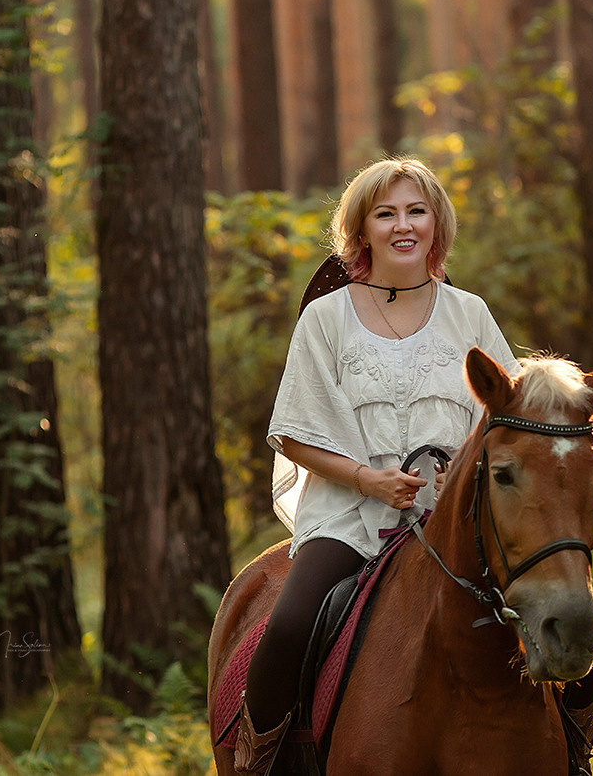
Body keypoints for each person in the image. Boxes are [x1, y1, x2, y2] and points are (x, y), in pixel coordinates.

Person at [234, 157, 521, 773]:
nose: (403, 225)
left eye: (416, 211)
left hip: (456, 524)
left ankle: (574, 749)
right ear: (361, 230)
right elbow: (292, 434)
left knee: (566, 618)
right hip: (351, 520)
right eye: (385, 213)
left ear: (436, 225)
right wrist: (369, 479)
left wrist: (463, 474)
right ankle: (259, 761)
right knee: (286, 630)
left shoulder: (469, 314)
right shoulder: (326, 319)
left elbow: (510, 420)